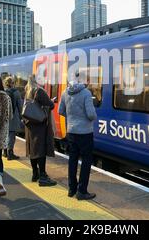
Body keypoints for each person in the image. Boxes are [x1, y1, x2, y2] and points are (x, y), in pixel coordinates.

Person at [59, 72, 97, 201]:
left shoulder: (65, 92)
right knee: (86, 161)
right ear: (83, 80)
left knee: (72, 159)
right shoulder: (86, 93)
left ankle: (71, 189)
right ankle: (82, 191)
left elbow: (60, 111)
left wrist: (71, 118)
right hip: (85, 133)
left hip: (71, 132)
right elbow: (91, 115)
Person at [24, 75, 57, 187]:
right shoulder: (39, 91)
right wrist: (51, 101)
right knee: (40, 150)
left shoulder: (28, 91)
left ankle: (35, 174)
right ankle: (43, 176)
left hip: (29, 125)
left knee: (33, 150)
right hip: (39, 125)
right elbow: (51, 105)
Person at [4, 77, 23, 160]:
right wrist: (21, 116)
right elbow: (20, 106)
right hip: (13, 117)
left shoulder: (3, 92)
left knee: (5, 134)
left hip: (4, 117)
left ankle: (4, 152)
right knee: (11, 135)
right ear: (13, 83)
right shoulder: (16, 93)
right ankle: (10, 153)